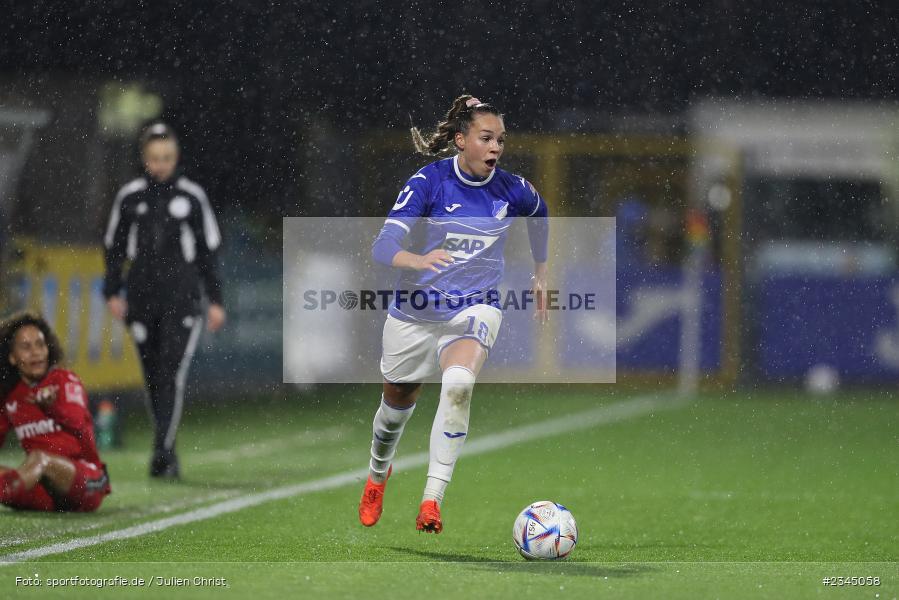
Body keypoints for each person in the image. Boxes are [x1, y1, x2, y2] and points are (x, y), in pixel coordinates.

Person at [358, 94, 549, 533]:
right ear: (461, 141)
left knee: (459, 384)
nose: (496, 147)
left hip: (476, 306)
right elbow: (383, 247)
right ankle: (377, 474)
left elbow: (541, 213)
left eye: (500, 139)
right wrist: (416, 260)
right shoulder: (429, 182)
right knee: (394, 409)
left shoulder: (512, 188)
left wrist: (541, 270)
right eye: (486, 138)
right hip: (416, 310)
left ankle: (432, 500)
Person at [103, 122, 225, 479]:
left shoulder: (191, 197)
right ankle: (165, 448)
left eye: (167, 157)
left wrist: (215, 299)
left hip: (182, 299)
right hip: (141, 299)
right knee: (153, 375)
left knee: (171, 372)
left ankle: (162, 452)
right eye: (155, 158)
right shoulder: (130, 197)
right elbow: (113, 249)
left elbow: (207, 252)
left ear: (176, 157)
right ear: (144, 158)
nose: (161, 164)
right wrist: (112, 291)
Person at [0, 312, 111, 512]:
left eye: (40, 345)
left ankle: (8, 490)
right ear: (12, 357)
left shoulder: (64, 380)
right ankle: (9, 490)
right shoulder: (11, 397)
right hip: (48, 492)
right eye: (26, 347)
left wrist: (51, 407)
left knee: (40, 459)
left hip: (88, 482)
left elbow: (79, 423)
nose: (36, 352)